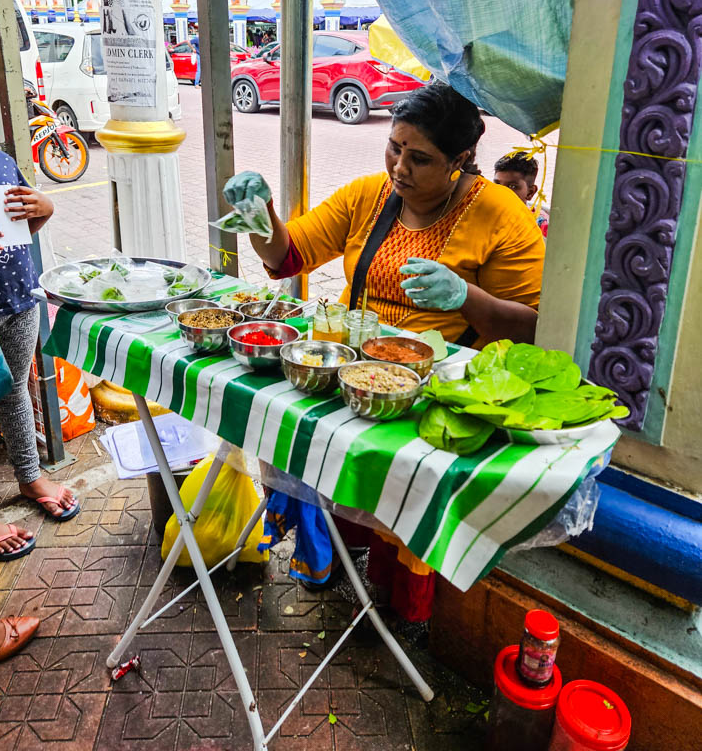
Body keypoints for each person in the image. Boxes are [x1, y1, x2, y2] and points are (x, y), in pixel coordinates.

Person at [224, 83, 545, 619]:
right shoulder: (368, 196)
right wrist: (261, 216)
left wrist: (467, 296)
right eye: (395, 147)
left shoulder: (501, 217)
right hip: (356, 378)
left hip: (434, 392)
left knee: (404, 509)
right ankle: (333, 561)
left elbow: (533, 328)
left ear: (461, 160)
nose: (400, 167)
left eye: (421, 159)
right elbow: (287, 257)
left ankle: (399, 613)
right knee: (310, 451)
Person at [0, 148, 79, 563]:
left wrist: (46, 208)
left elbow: (25, 223)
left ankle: (30, 477)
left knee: (15, 391)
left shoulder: (0, 160)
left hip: (19, 299)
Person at [493, 151, 549, 237]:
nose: (502, 191)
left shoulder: (541, 228)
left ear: (530, 193)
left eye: (512, 186)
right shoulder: (484, 214)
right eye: (497, 184)